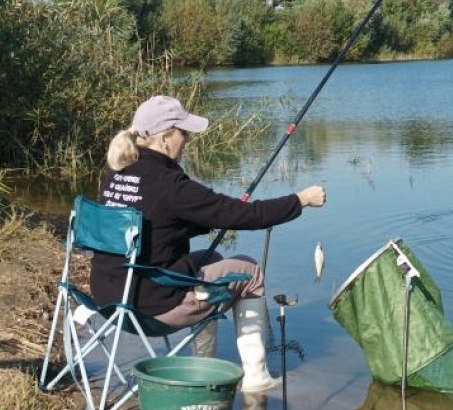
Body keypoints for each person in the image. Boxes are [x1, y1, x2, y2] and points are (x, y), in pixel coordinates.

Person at [90, 95, 326, 392]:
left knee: (211, 261)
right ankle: (256, 378)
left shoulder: (117, 173)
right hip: (152, 308)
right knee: (250, 271)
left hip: (110, 298)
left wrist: (207, 215)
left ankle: (204, 365)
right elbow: (247, 215)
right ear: (164, 138)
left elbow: (156, 226)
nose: (187, 140)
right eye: (183, 133)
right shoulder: (170, 184)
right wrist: (300, 200)